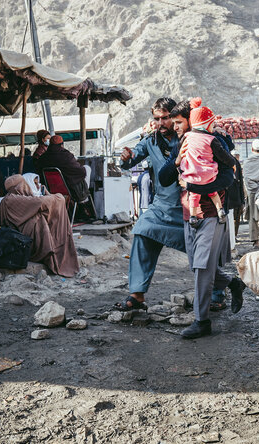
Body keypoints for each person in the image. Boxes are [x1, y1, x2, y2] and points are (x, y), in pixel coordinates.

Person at [159, 101, 246, 338]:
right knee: (197, 267)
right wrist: (176, 162)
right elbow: (164, 178)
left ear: (191, 121)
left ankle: (202, 321)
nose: (174, 127)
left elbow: (228, 176)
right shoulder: (182, 144)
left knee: (202, 267)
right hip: (189, 213)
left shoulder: (213, 142)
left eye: (178, 122)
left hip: (211, 213)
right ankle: (232, 283)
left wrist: (194, 185)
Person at [114, 97, 184, 311]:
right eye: (157, 118)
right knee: (142, 231)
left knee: (202, 253)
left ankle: (222, 287)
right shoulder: (151, 141)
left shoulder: (188, 138)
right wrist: (126, 157)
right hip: (161, 206)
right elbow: (131, 159)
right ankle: (137, 295)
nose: (161, 123)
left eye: (165, 118)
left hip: (187, 207)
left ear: (174, 117)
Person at [0, 175, 79, 277]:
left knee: (42, 217)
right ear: (19, 186)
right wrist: (58, 196)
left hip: (21, 238)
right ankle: (52, 251)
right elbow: (40, 202)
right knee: (39, 219)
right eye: (24, 185)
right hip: (21, 242)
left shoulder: (11, 198)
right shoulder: (12, 199)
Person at [178, 97, 235, 227]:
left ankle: (192, 217)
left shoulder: (186, 137)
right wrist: (232, 163)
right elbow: (223, 156)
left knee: (194, 195)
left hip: (192, 175)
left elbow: (179, 150)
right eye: (211, 124)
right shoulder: (211, 139)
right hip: (208, 174)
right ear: (206, 124)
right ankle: (220, 210)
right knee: (213, 192)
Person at [35, 135, 90, 203]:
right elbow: (80, 171)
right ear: (61, 145)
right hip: (69, 190)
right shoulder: (66, 156)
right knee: (87, 169)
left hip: (50, 190)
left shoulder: (43, 157)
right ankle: (84, 199)